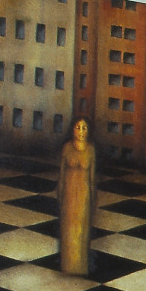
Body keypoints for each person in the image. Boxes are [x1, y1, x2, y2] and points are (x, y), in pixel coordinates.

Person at [56, 115, 96, 276]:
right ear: (73, 129)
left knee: (81, 232)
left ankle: (80, 269)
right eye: (78, 127)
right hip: (69, 196)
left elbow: (92, 178)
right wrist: (60, 195)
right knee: (68, 232)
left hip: (84, 197)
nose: (81, 131)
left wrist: (93, 199)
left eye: (84, 128)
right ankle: (67, 267)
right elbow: (61, 174)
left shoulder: (91, 149)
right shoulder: (66, 148)